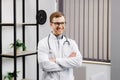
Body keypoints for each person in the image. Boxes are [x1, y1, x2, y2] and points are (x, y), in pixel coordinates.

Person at [38, 11, 82, 80]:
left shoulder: (71, 43)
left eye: (62, 23)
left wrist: (56, 60)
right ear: (51, 24)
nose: (60, 26)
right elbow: (44, 66)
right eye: (57, 23)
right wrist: (68, 63)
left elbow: (78, 62)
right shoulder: (43, 43)